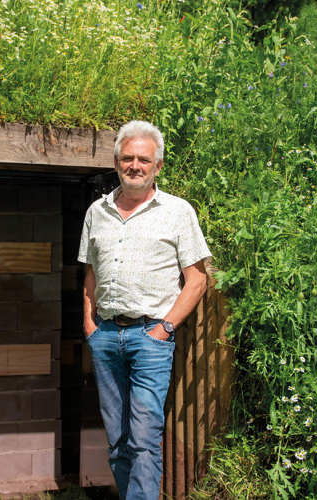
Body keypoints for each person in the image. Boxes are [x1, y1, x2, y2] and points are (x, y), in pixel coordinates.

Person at [78, 120, 211, 500]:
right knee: (118, 442)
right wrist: (88, 323)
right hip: (104, 336)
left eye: (143, 159)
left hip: (149, 338)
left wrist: (164, 329)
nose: (134, 165)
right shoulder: (95, 212)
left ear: (158, 166)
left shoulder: (177, 211)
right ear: (116, 161)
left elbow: (197, 279)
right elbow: (91, 274)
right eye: (127, 158)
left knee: (143, 438)